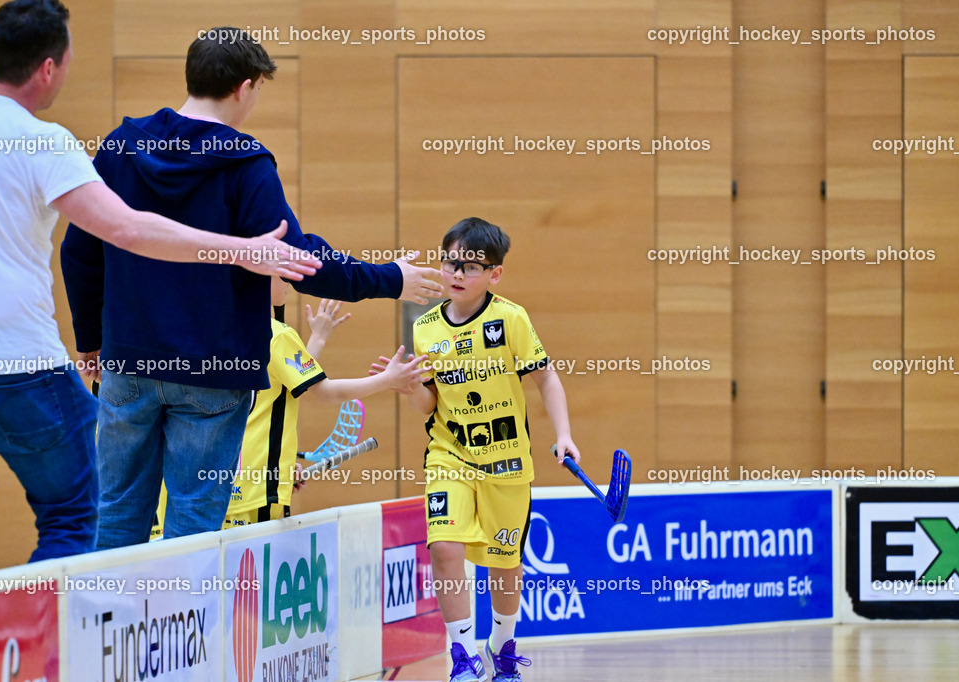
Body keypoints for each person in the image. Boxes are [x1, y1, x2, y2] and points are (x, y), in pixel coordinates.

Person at [0, 0, 317, 579]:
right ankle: (65, 660)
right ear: (49, 67)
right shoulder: (45, 142)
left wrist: (92, 342)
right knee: (79, 519)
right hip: (23, 367)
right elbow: (123, 229)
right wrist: (246, 249)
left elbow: (81, 254)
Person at [60, 27, 442, 549]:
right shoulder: (245, 162)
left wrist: (90, 343)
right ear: (245, 87)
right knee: (193, 529)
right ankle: (180, 630)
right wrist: (390, 277)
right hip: (214, 375)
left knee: (118, 518)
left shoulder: (122, 148)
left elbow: (79, 253)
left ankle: (108, 631)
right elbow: (301, 258)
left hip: (127, 363)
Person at [380, 217, 580, 682]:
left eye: (471, 266)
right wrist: (410, 389)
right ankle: (462, 655)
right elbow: (429, 404)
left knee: (504, 568)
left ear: (494, 274)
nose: (456, 272)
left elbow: (546, 377)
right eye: (450, 261)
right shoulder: (426, 327)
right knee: (445, 547)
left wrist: (564, 433)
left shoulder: (510, 318)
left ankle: (502, 645)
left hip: (507, 463)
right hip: (450, 455)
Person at [149, 286, 405, 538]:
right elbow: (325, 392)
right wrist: (387, 380)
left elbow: (282, 385)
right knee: (247, 579)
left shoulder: (187, 331)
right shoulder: (274, 335)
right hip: (251, 496)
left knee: (187, 576)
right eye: (282, 275)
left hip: (181, 491)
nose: (288, 282)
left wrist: (317, 339)